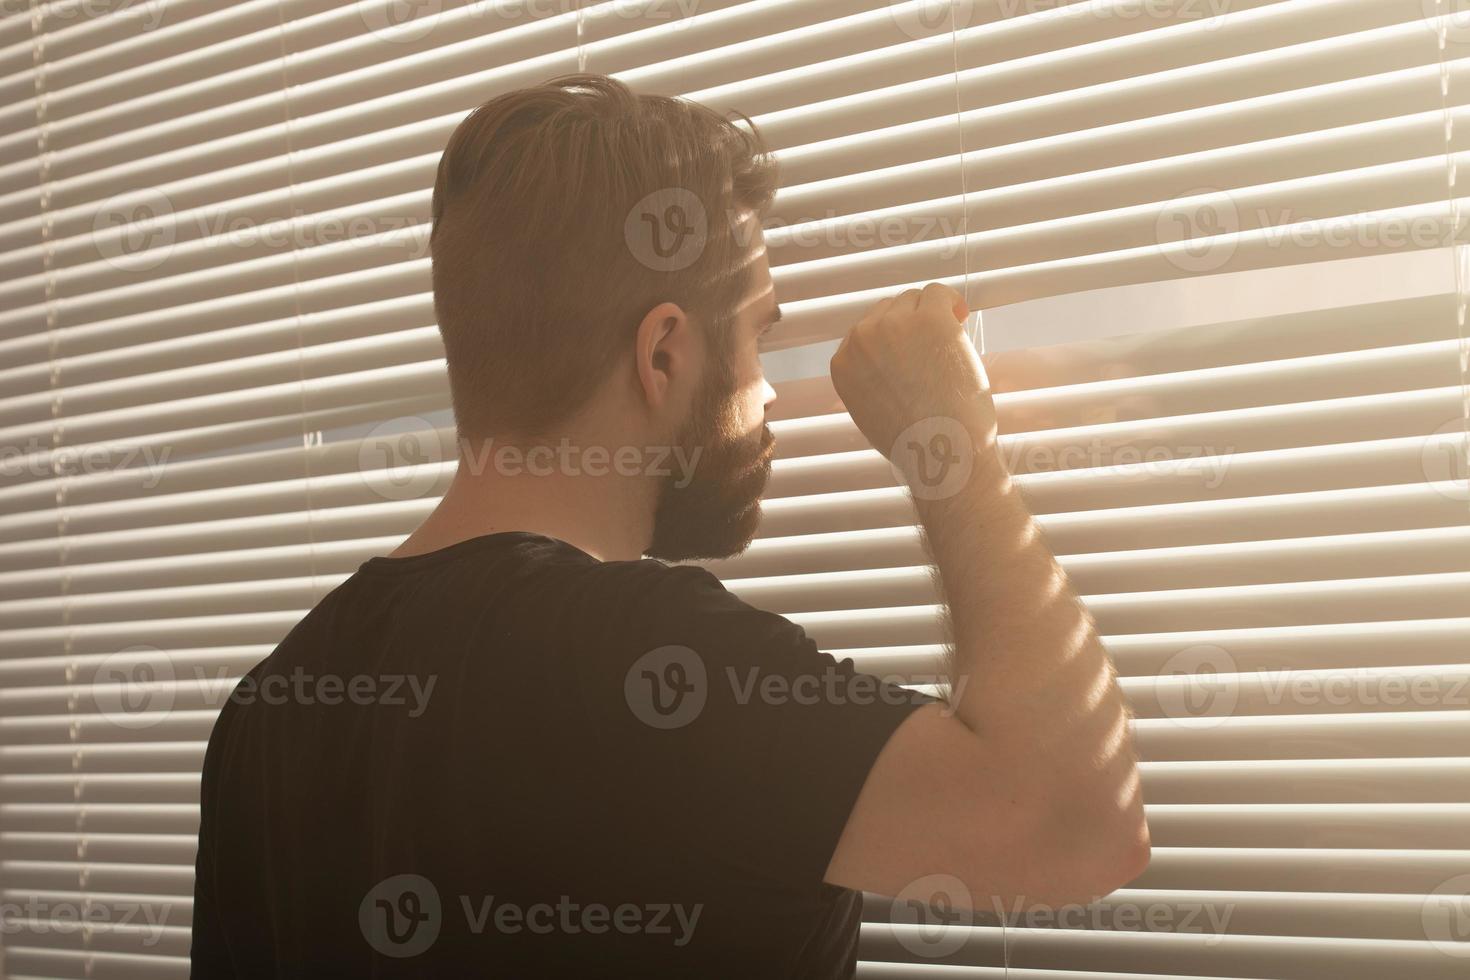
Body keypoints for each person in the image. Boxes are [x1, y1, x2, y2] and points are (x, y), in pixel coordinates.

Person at [189, 73, 1148, 978]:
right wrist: (951, 446)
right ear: (662, 354)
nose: (770, 390)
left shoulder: (263, 717)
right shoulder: (654, 658)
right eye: (758, 335)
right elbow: (1076, 819)